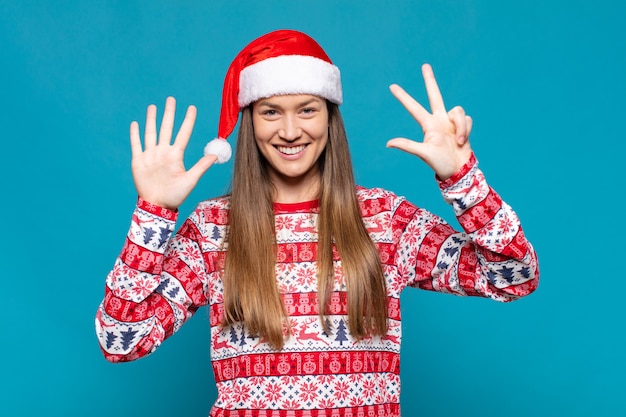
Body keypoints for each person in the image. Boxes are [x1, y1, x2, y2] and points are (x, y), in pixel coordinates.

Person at [95, 29, 539, 416]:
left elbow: (513, 276)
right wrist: (153, 213)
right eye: (271, 112)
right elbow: (121, 339)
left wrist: (461, 177)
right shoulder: (213, 229)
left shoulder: (384, 220)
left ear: (330, 117)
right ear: (250, 122)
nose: (290, 131)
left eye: (307, 109)